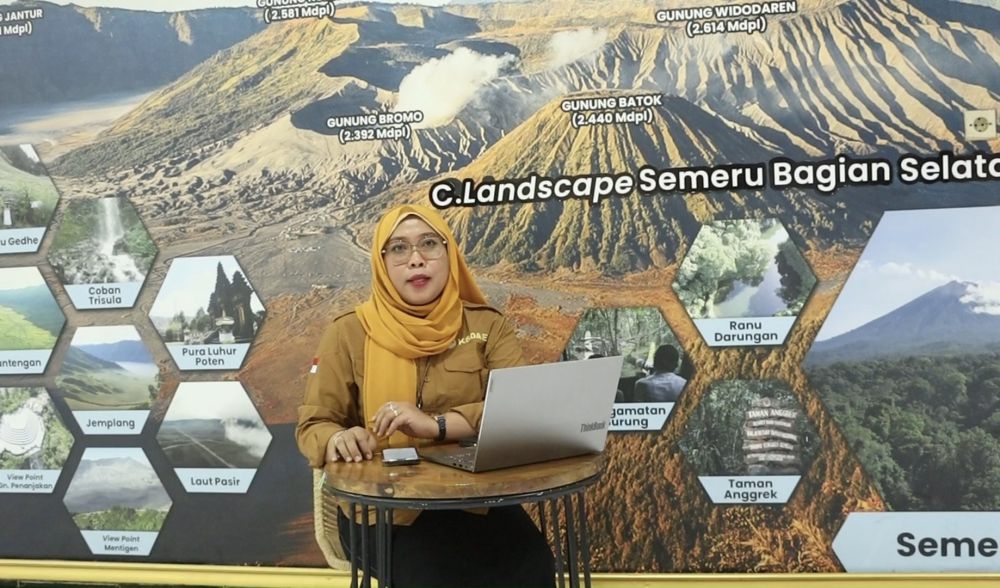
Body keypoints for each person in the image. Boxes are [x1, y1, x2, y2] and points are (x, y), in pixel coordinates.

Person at [296, 204, 554, 588]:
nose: (416, 259)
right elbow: (314, 424)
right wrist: (339, 436)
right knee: (436, 575)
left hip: (475, 501)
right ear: (382, 263)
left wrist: (436, 426)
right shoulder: (348, 333)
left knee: (533, 566)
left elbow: (520, 410)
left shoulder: (487, 325)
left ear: (449, 254)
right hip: (384, 508)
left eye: (429, 244)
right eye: (398, 248)